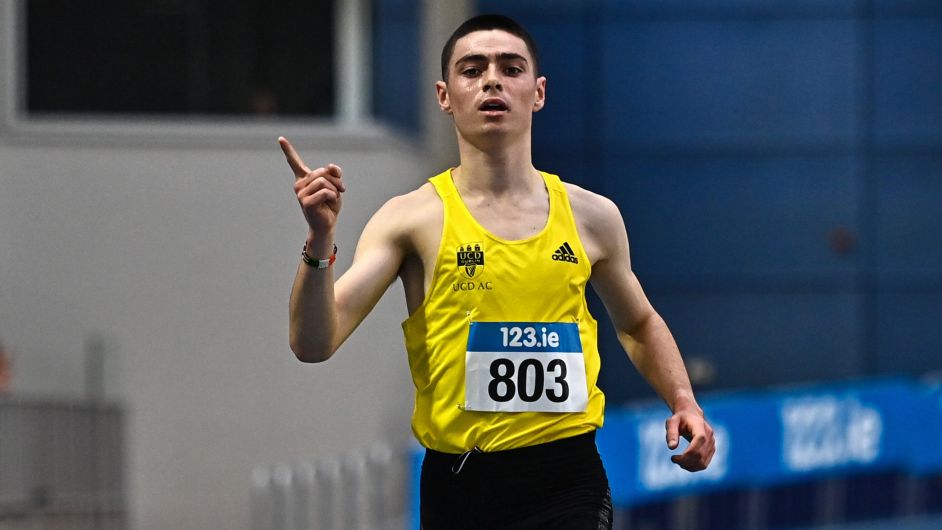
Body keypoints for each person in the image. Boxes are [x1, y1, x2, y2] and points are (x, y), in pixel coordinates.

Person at [281, 14, 715, 529]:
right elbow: (314, 342)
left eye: (511, 68)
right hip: (459, 485)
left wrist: (683, 399)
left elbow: (638, 322)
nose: (492, 80)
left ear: (538, 92)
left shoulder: (592, 217)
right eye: (472, 69)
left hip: (567, 478)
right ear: (445, 95)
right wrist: (319, 240)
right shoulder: (410, 219)